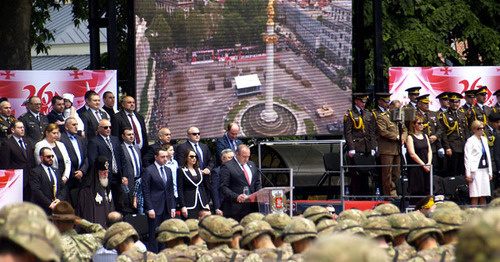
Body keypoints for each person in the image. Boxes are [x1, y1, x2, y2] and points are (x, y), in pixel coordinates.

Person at [88, 119, 130, 211]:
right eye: (105, 127)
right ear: (99, 129)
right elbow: (93, 160)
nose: (108, 129)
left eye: (110, 127)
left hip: (117, 177)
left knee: (119, 203)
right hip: (104, 178)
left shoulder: (115, 140)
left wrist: (124, 175)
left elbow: (122, 158)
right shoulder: (94, 141)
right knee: (107, 203)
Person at [142, 147, 176, 252]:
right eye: (162, 157)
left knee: (165, 233)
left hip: (166, 206)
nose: (165, 159)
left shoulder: (168, 170)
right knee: (154, 234)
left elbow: (170, 190)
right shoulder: (149, 170)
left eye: (166, 157)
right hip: (155, 207)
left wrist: (172, 207)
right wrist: (149, 208)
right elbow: (146, 191)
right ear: (156, 157)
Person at [343, 93, 377, 195]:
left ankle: (366, 195)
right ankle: (356, 195)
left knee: (366, 174)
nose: (364, 104)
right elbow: (348, 133)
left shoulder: (368, 114)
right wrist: (351, 148)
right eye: (362, 101)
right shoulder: (350, 114)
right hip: (356, 147)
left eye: (365, 101)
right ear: (356, 101)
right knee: (355, 174)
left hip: (366, 147)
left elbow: (372, 132)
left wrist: (373, 146)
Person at [220, 144, 262, 221]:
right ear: (237, 154)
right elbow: (224, 187)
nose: (246, 159)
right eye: (244, 156)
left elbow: (257, 183)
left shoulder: (251, 164)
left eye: (248, 156)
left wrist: (261, 193)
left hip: (252, 208)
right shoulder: (227, 166)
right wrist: (236, 196)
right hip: (235, 209)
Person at [377, 99, 407, 197]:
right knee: (387, 174)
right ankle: (389, 195)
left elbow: (404, 129)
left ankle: (397, 192)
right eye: (397, 108)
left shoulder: (399, 118)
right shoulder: (383, 117)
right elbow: (383, 131)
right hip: (387, 150)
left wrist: (403, 137)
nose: (399, 111)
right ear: (391, 108)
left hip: (397, 149)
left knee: (397, 173)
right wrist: (396, 136)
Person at [0, 120, 35, 201]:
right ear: (13, 130)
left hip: (29, 179)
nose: (22, 129)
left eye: (23, 127)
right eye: (19, 128)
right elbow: (5, 164)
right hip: (16, 180)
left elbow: (31, 160)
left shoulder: (27, 141)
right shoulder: (7, 144)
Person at [77, 156, 115, 227]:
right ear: (97, 172)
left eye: (107, 173)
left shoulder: (107, 188)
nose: (106, 175)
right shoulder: (86, 191)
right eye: (103, 173)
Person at [438, 92, 469, 177]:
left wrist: (468, 143)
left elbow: (465, 130)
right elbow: (443, 133)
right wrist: (447, 147)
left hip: (463, 145)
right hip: (452, 146)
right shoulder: (444, 115)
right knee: (453, 170)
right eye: (453, 102)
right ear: (449, 102)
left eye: (457, 102)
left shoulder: (462, 114)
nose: (455, 104)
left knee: (462, 169)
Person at [30, 147, 68, 214]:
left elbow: (63, 187)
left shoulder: (56, 171)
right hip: (42, 208)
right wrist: (49, 204)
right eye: (48, 156)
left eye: (52, 156)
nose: (51, 158)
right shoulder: (35, 172)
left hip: (57, 207)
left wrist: (59, 199)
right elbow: (36, 190)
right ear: (41, 157)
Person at [59, 117, 89, 203]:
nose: (76, 127)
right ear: (66, 127)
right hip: (69, 178)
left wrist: (82, 171)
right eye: (73, 125)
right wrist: (74, 173)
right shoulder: (62, 140)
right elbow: (64, 160)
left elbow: (86, 157)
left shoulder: (80, 139)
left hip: (81, 177)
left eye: (77, 125)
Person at [464, 120, 493, 206]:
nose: (481, 130)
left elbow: (488, 156)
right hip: (475, 170)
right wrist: (468, 174)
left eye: (483, 128)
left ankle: (482, 215)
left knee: (484, 194)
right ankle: (474, 214)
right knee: (475, 194)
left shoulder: (484, 139)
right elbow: (467, 158)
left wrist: (490, 172)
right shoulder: (470, 141)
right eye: (479, 128)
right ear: (474, 129)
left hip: (484, 169)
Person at [177, 149, 211, 219]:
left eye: (195, 157)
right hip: (189, 203)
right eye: (191, 156)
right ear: (186, 158)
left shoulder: (198, 170)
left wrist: (206, 203)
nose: (194, 158)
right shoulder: (181, 170)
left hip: (201, 203)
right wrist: (183, 206)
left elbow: (202, 187)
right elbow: (180, 189)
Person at [406, 115, 432, 199]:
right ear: (413, 124)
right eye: (419, 123)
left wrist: (428, 163)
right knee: (417, 189)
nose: (421, 125)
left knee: (427, 188)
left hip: (427, 165)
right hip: (416, 167)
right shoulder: (410, 137)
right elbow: (412, 153)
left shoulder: (425, 136)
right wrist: (423, 165)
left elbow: (429, 150)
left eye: (423, 123)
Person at [211, 149, 234, 216]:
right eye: (230, 157)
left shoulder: (237, 170)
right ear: (223, 159)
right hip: (223, 205)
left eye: (233, 157)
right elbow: (214, 190)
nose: (232, 159)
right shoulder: (216, 171)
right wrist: (217, 208)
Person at [121, 128, 142, 195]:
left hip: (139, 180)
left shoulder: (137, 148)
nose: (131, 136)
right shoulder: (121, 148)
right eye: (129, 135)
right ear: (123, 136)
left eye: (133, 134)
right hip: (128, 181)